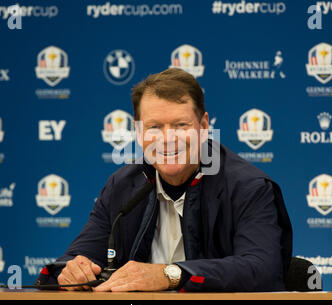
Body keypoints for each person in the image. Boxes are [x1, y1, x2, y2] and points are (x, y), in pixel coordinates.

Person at [36, 68, 292, 292]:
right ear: (138, 132)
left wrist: (170, 274)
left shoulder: (248, 187)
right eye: (154, 127)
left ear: (204, 127)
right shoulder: (122, 187)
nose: (168, 139)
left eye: (181, 125)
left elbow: (263, 269)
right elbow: (72, 260)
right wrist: (72, 271)